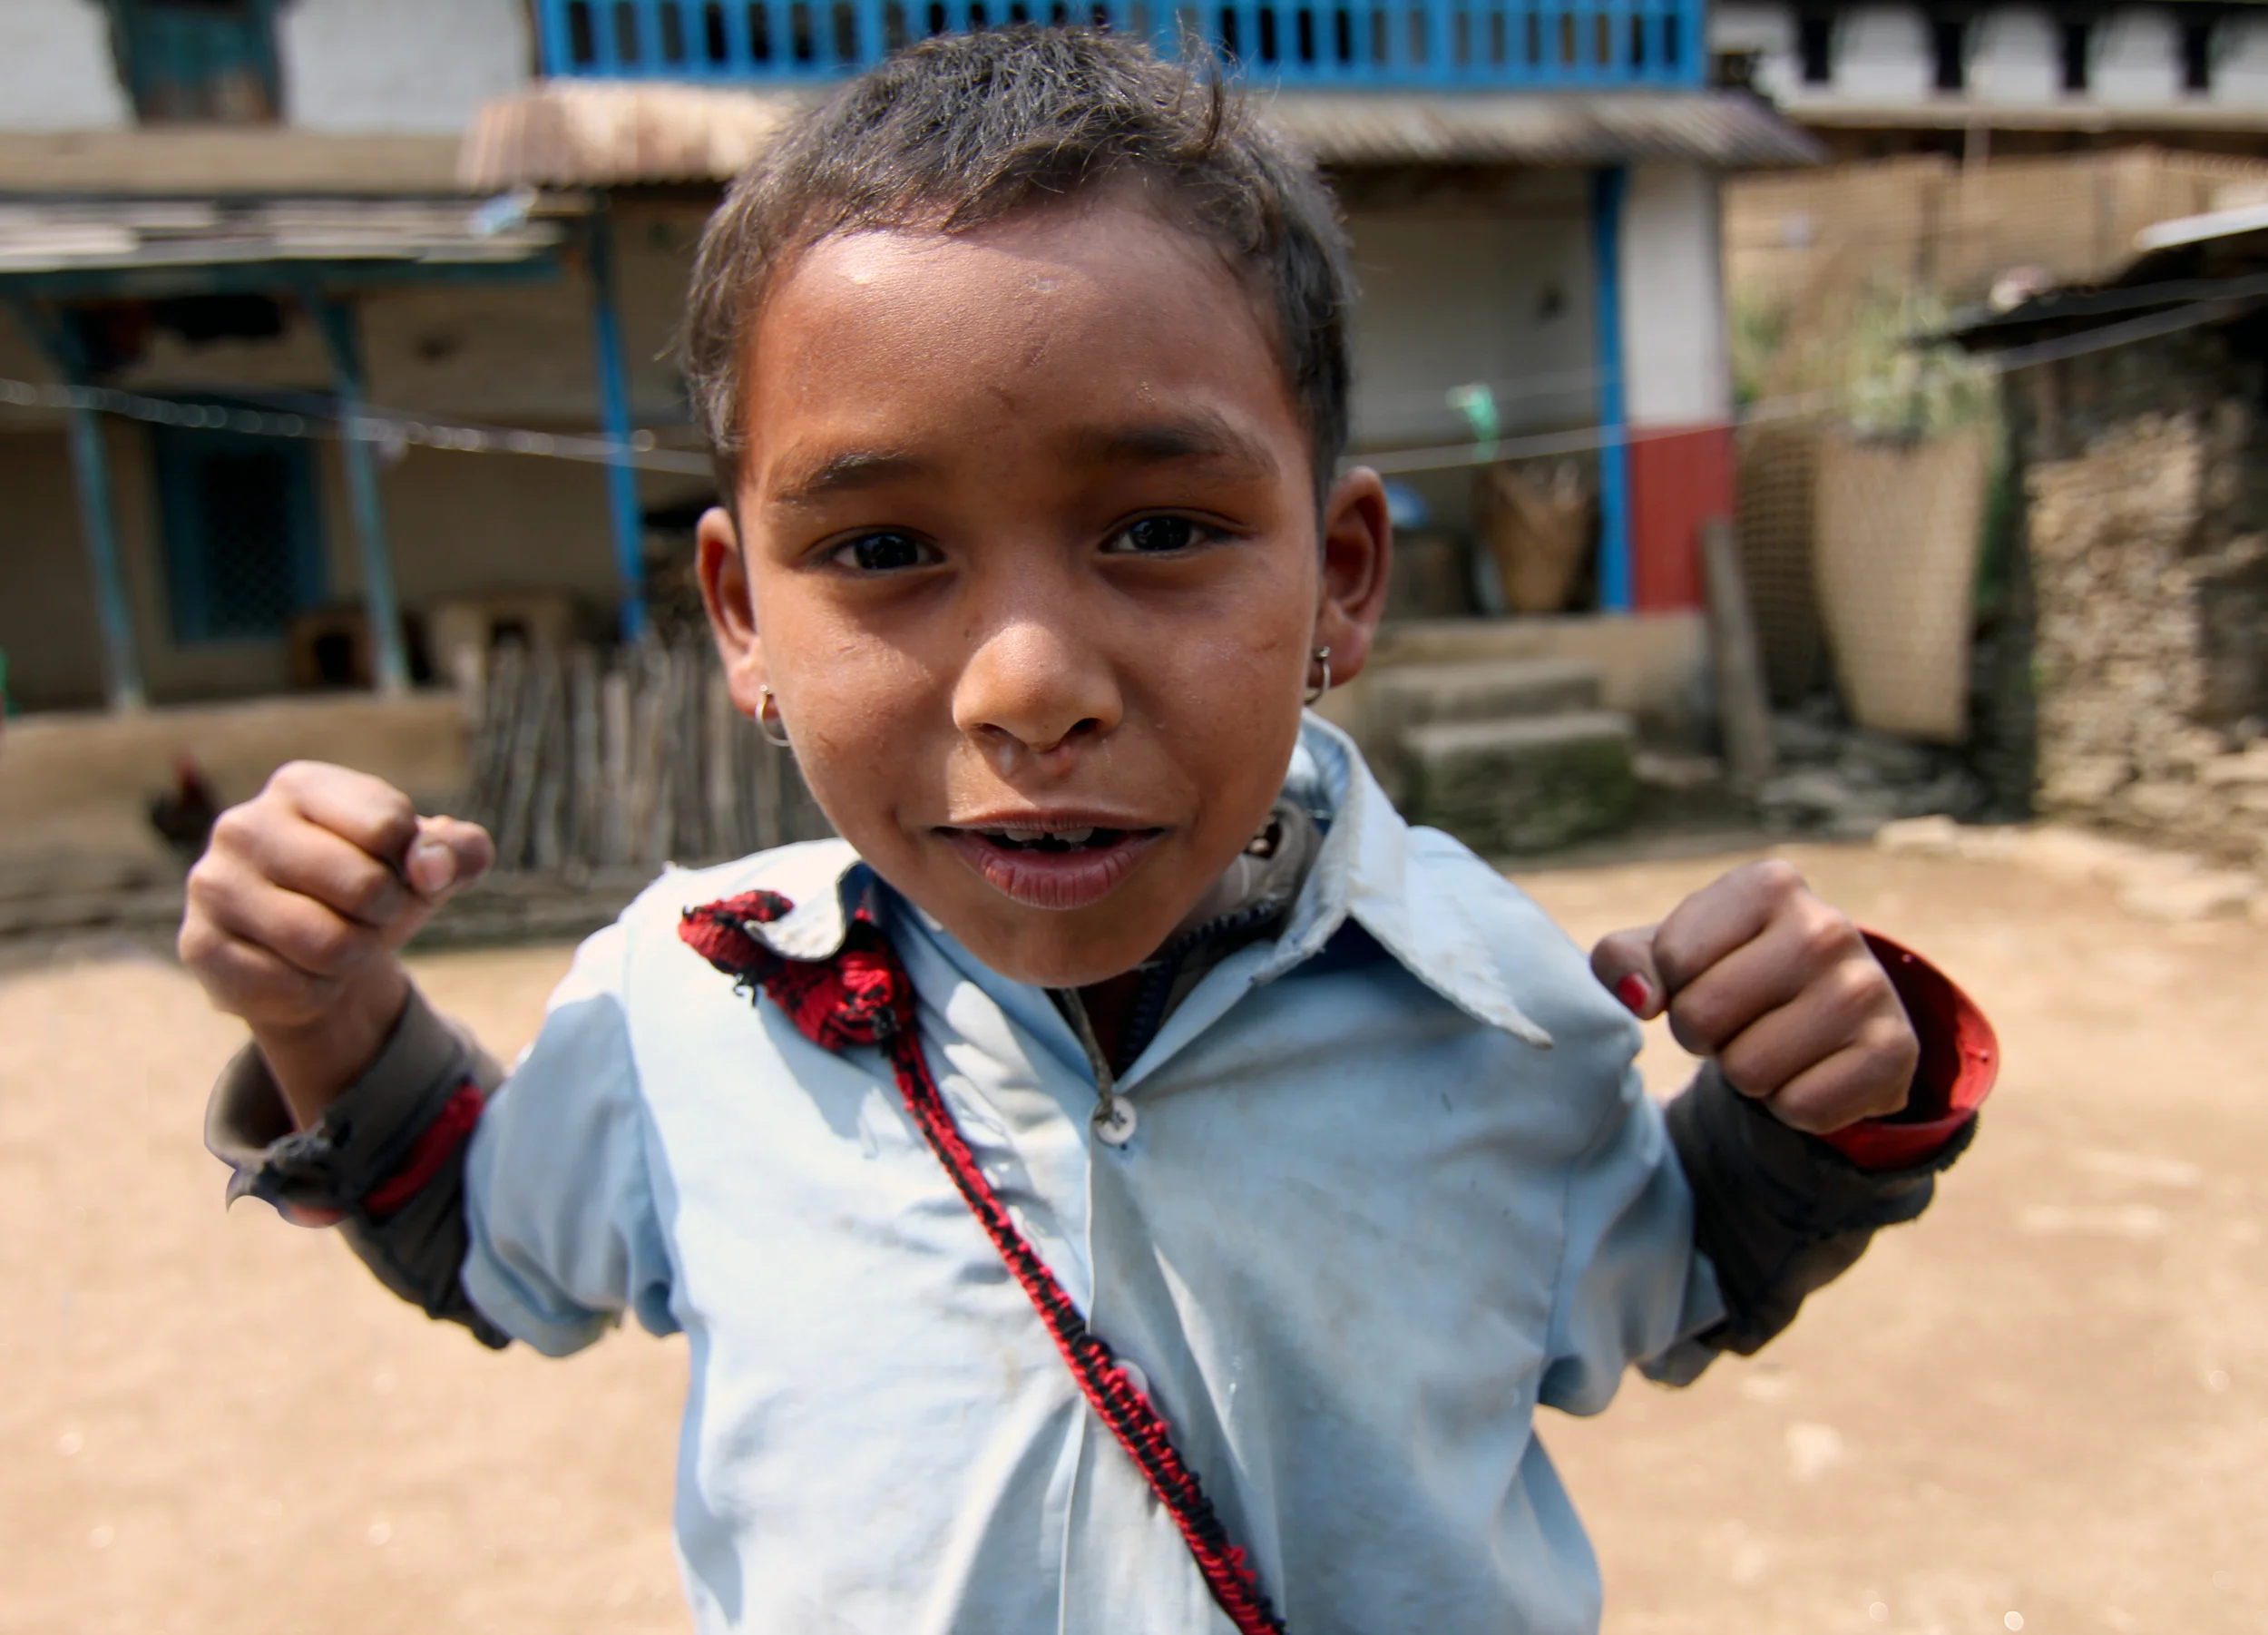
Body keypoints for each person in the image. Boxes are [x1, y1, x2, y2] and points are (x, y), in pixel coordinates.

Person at [181, 29, 1995, 1635]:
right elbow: (474, 1233)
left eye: (1157, 530)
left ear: (1336, 582)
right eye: (882, 551)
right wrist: (320, 1011)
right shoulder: (684, 1006)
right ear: (741, 615)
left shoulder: (1496, 1001)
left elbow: (1674, 1267)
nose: (1026, 686)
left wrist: (1810, 1096)